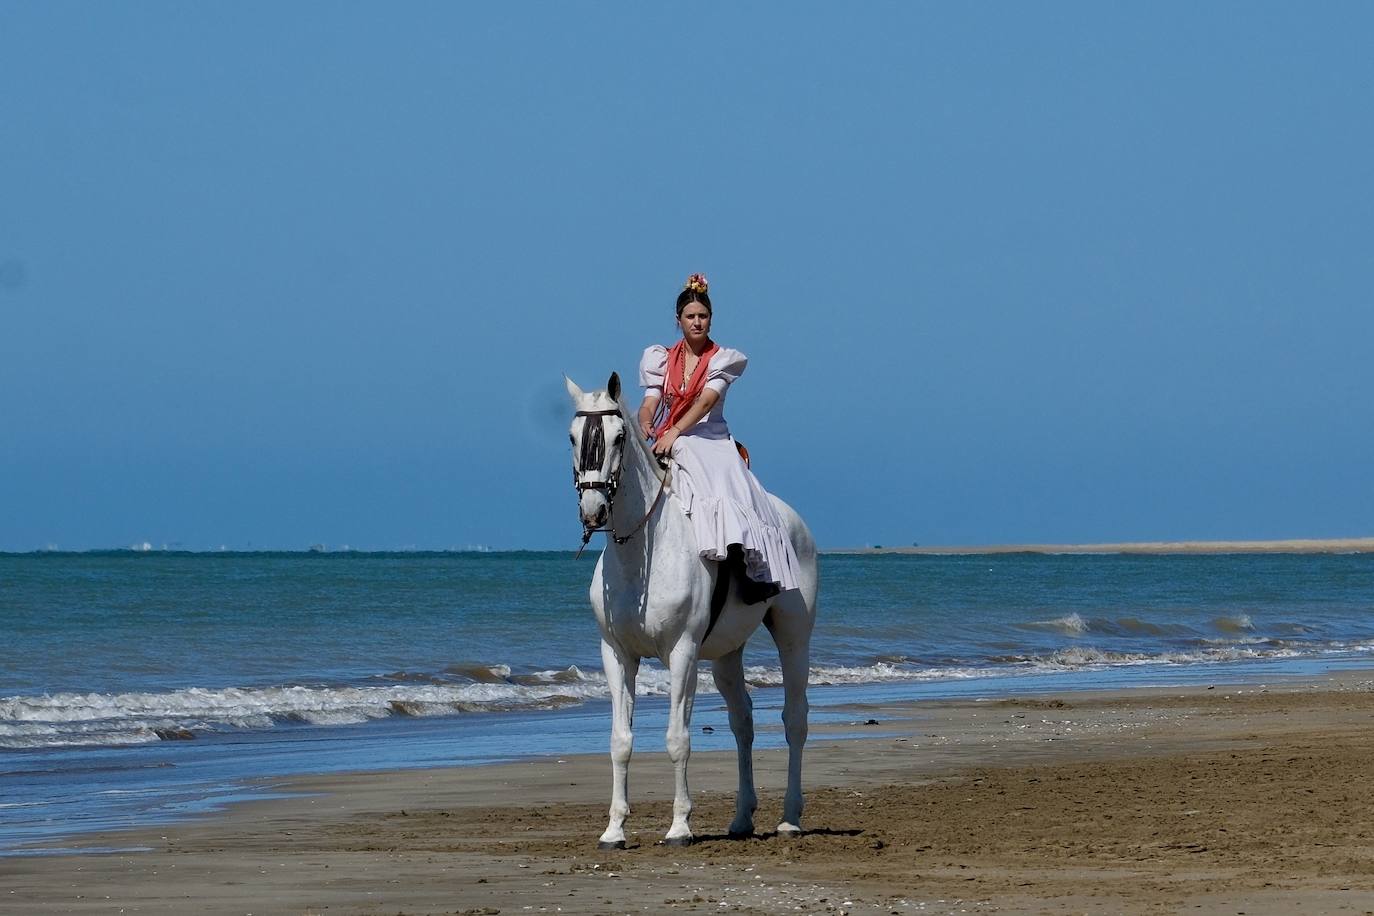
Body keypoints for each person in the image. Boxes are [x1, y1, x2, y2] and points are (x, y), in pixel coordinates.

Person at [638, 273, 801, 600]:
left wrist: (674, 431)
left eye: (703, 316)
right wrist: (644, 421)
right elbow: (651, 401)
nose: (697, 322)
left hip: (708, 437)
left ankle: (747, 570)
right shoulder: (660, 358)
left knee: (724, 485)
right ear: (678, 320)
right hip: (671, 434)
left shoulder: (723, 359)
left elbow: (706, 401)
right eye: (690, 317)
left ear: (711, 319)